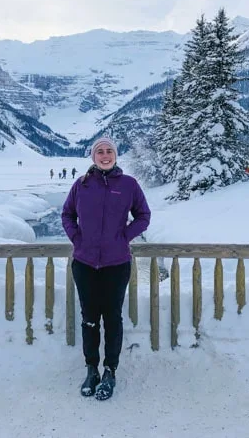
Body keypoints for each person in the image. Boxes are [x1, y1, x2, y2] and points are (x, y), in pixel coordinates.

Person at [62, 137, 151, 401]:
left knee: (112, 318)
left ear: (116, 155)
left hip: (116, 263)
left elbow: (143, 216)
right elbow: (67, 214)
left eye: (109, 151)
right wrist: (77, 238)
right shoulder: (81, 185)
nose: (104, 155)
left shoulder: (129, 185)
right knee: (89, 318)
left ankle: (110, 370)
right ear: (92, 156)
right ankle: (92, 369)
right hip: (85, 263)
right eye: (99, 151)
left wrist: (124, 237)